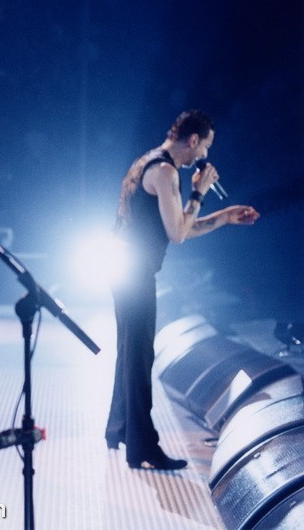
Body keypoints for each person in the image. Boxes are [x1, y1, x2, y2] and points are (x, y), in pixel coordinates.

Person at [104, 109, 259, 470]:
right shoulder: (166, 172)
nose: (204, 155)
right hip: (135, 272)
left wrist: (224, 216)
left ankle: (119, 428)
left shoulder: (147, 161)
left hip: (122, 267)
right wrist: (199, 193)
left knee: (129, 352)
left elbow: (180, 227)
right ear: (193, 140)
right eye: (205, 146)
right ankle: (143, 448)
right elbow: (177, 234)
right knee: (139, 358)